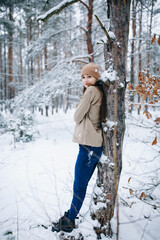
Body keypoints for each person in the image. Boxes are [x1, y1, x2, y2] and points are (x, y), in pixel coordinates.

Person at [52, 62, 106, 233]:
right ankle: (71, 215)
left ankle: (69, 221)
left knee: (79, 186)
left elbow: (77, 117)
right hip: (94, 144)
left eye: (89, 76)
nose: (85, 80)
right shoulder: (98, 91)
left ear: (96, 77)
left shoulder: (91, 91)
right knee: (81, 184)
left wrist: (79, 106)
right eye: (83, 77)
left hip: (88, 145)